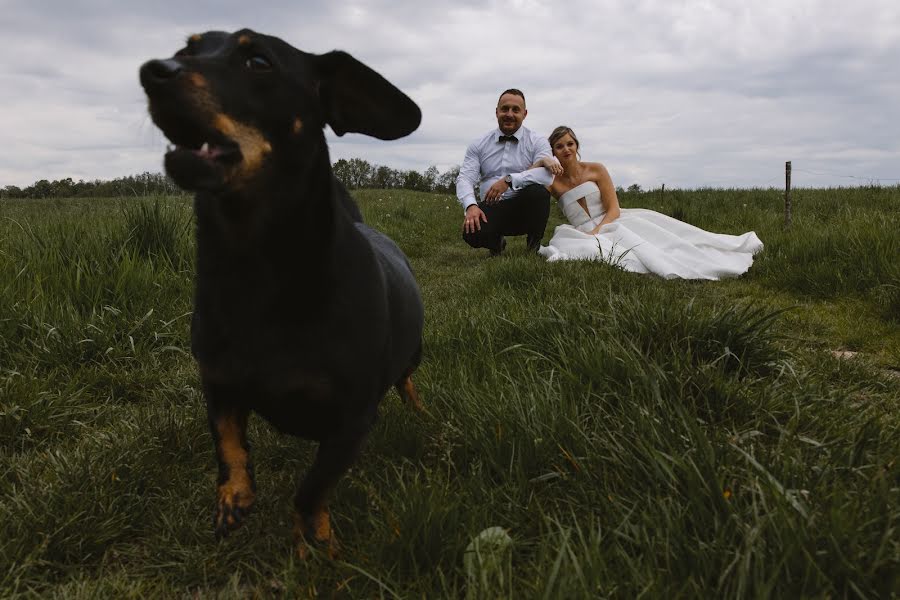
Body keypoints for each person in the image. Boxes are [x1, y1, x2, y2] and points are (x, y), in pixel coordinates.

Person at [536, 126, 764, 279]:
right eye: (559, 146)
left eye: (570, 144)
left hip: (611, 221)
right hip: (580, 232)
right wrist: (543, 161)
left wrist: (599, 230)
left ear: (576, 146)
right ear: (553, 151)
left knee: (664, 247)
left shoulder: (596, 169)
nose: (566, 149)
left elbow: (613, 208)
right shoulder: (553, 182)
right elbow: (527, 174)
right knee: (575, 246)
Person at [457, 89, 563, 256]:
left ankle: (533, 246)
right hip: (491, 206)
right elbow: (464, 178)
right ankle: (496, 243)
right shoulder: (479, 143)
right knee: (471, 233)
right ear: (497, 111)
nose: (509, 114)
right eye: (505, 109)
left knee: (538, 192)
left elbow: (547, 176)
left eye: (516, 110)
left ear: (525, 114)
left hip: (524, 206)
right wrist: (471, 206)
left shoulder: (537, 141)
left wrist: (509, 180)